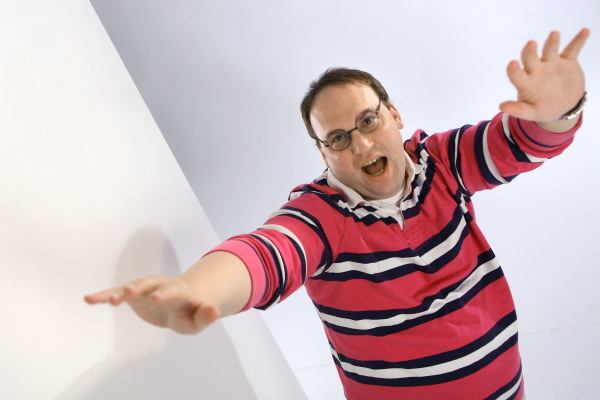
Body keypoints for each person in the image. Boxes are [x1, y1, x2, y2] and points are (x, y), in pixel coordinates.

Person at [85, 28, 590, 399]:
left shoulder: (442, 163)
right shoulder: (323, 217)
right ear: (324, 153)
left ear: (394, 115)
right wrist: (197, 289)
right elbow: (266, 253)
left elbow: (518, 142)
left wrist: (557, 112)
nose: (362, 144)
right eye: (339, 138)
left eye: (368, 121)